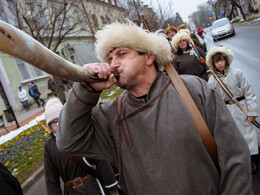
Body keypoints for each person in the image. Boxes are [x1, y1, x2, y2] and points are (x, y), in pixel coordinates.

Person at [56, 21, 252, 194]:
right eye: (109, 59)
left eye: (121, 54)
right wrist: (86, 90)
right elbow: (68, 141)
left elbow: (235, 159)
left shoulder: (193, 89)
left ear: (149, 57)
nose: (113, 64)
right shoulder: (110, 115)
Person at [44, 98, 118, 195]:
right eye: (53, 122)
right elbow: (51, 179)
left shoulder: (79, 133)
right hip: (72, 191)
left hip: (93, 188)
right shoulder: (49, 147)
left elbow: (101, 161)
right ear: (49, 125)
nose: (57, 124)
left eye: (59, 119)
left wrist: (112, 186)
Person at [207, 46, 259, 174]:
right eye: (217, 61)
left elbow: (249, 93)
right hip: (227, 112)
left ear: (226, 60)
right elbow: (212, 101)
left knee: (249, 136)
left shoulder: (237, 73)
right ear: (213, 64)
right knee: (235, 138)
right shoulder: (212, 80)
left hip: (242, 108)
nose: (220, 63)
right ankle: (244, 160)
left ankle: (254, 159)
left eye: (222, 60)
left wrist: (252, 111)